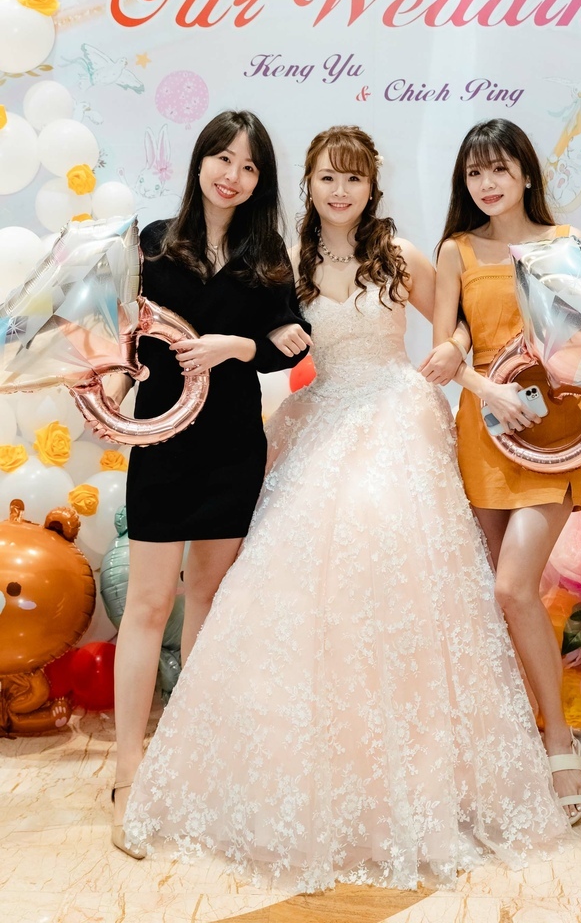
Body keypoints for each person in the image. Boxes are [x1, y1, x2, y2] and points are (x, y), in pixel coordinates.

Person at [122, 125, 570, 890]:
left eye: (353, 179)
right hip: (322, 418)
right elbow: (263, 337)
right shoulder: (283, 262)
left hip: (395, 417)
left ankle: (421, 777)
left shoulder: (400, 254)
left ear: (371, 187)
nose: (339, 191)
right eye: (327, 178)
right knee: (291, 591)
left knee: (391, 575)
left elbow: (456, 320)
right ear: (308, 184)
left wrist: (457, 353)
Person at [109, 110, 311, 858]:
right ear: (199, 162)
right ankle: (129, 772)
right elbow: (118, 333)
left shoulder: (267, 257)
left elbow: (291, 341)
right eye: (223, 158)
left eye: (249, 166)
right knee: (147, 606)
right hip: (162, 442)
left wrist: (240, 345)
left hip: (231, 447)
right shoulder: (153, 243)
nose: (233, 174)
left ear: (261, 181)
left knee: (207, 603)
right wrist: (112, 383)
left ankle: (192, 763)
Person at [420, 118, 581, 823]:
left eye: (499, 169)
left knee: (514, 587)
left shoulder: (563, 244)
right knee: (503, 600)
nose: (487, 183)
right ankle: (513, 743)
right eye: (474, 172)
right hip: (486, 430)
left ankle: (557, 741)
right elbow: (447, 346)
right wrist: (483, 385)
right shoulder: (456, 249)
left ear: (525, 174)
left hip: (558, 432)